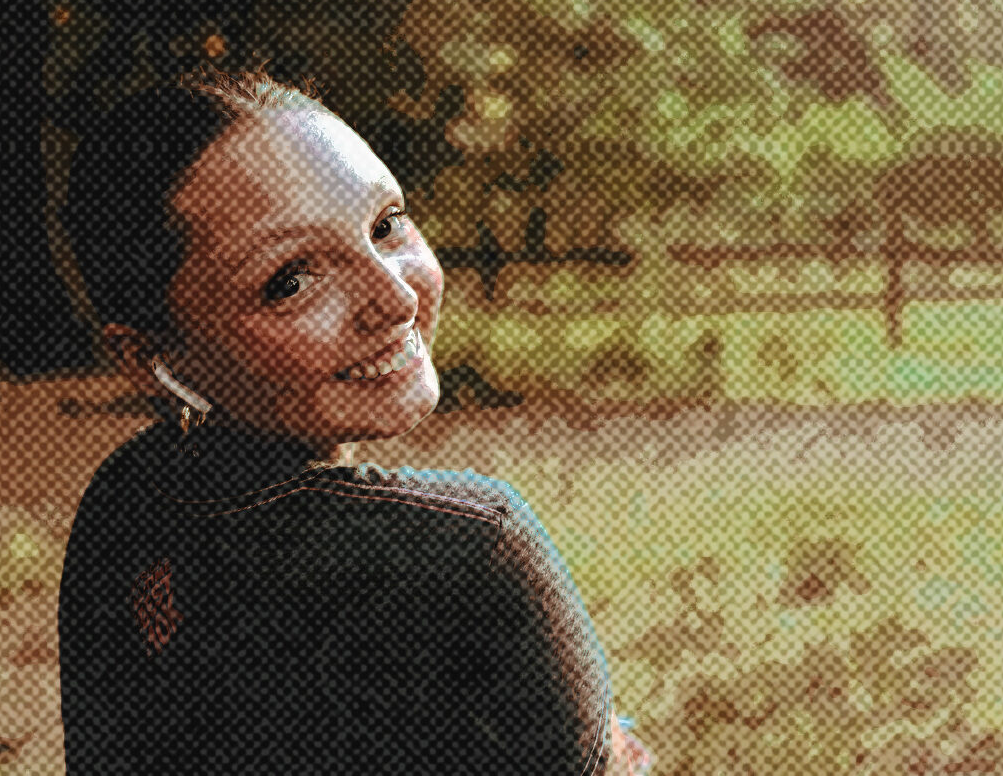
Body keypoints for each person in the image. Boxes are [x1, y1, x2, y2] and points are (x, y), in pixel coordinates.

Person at [55, 69, 651, 774]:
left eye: (386, 225)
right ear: (151, 355)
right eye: (292, 281)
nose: (394, 297)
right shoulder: (473, 545)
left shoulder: (127, 496)